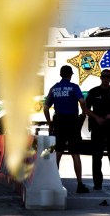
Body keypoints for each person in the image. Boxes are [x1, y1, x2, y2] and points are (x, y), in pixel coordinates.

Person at [43, 64, 90, 194]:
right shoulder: (74, 87)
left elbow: (46, 107)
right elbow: (82, 101)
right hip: (72, 122)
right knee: (75, 153)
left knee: (58, 152)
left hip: (59, 122)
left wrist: (50, 122)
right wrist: (84, 114)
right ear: (69, 75)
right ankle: (80, 184)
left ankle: (55, 182)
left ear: (60, 74)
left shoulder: (54, 88)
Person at [85, 68, 110, 191]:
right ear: (101, 78)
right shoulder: (93, 92)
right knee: (97, 157)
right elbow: (86, 109)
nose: (106, 79)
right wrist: (97, 118)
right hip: (97, 128)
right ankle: (97, 183)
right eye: (104, 76)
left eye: (108, 77)